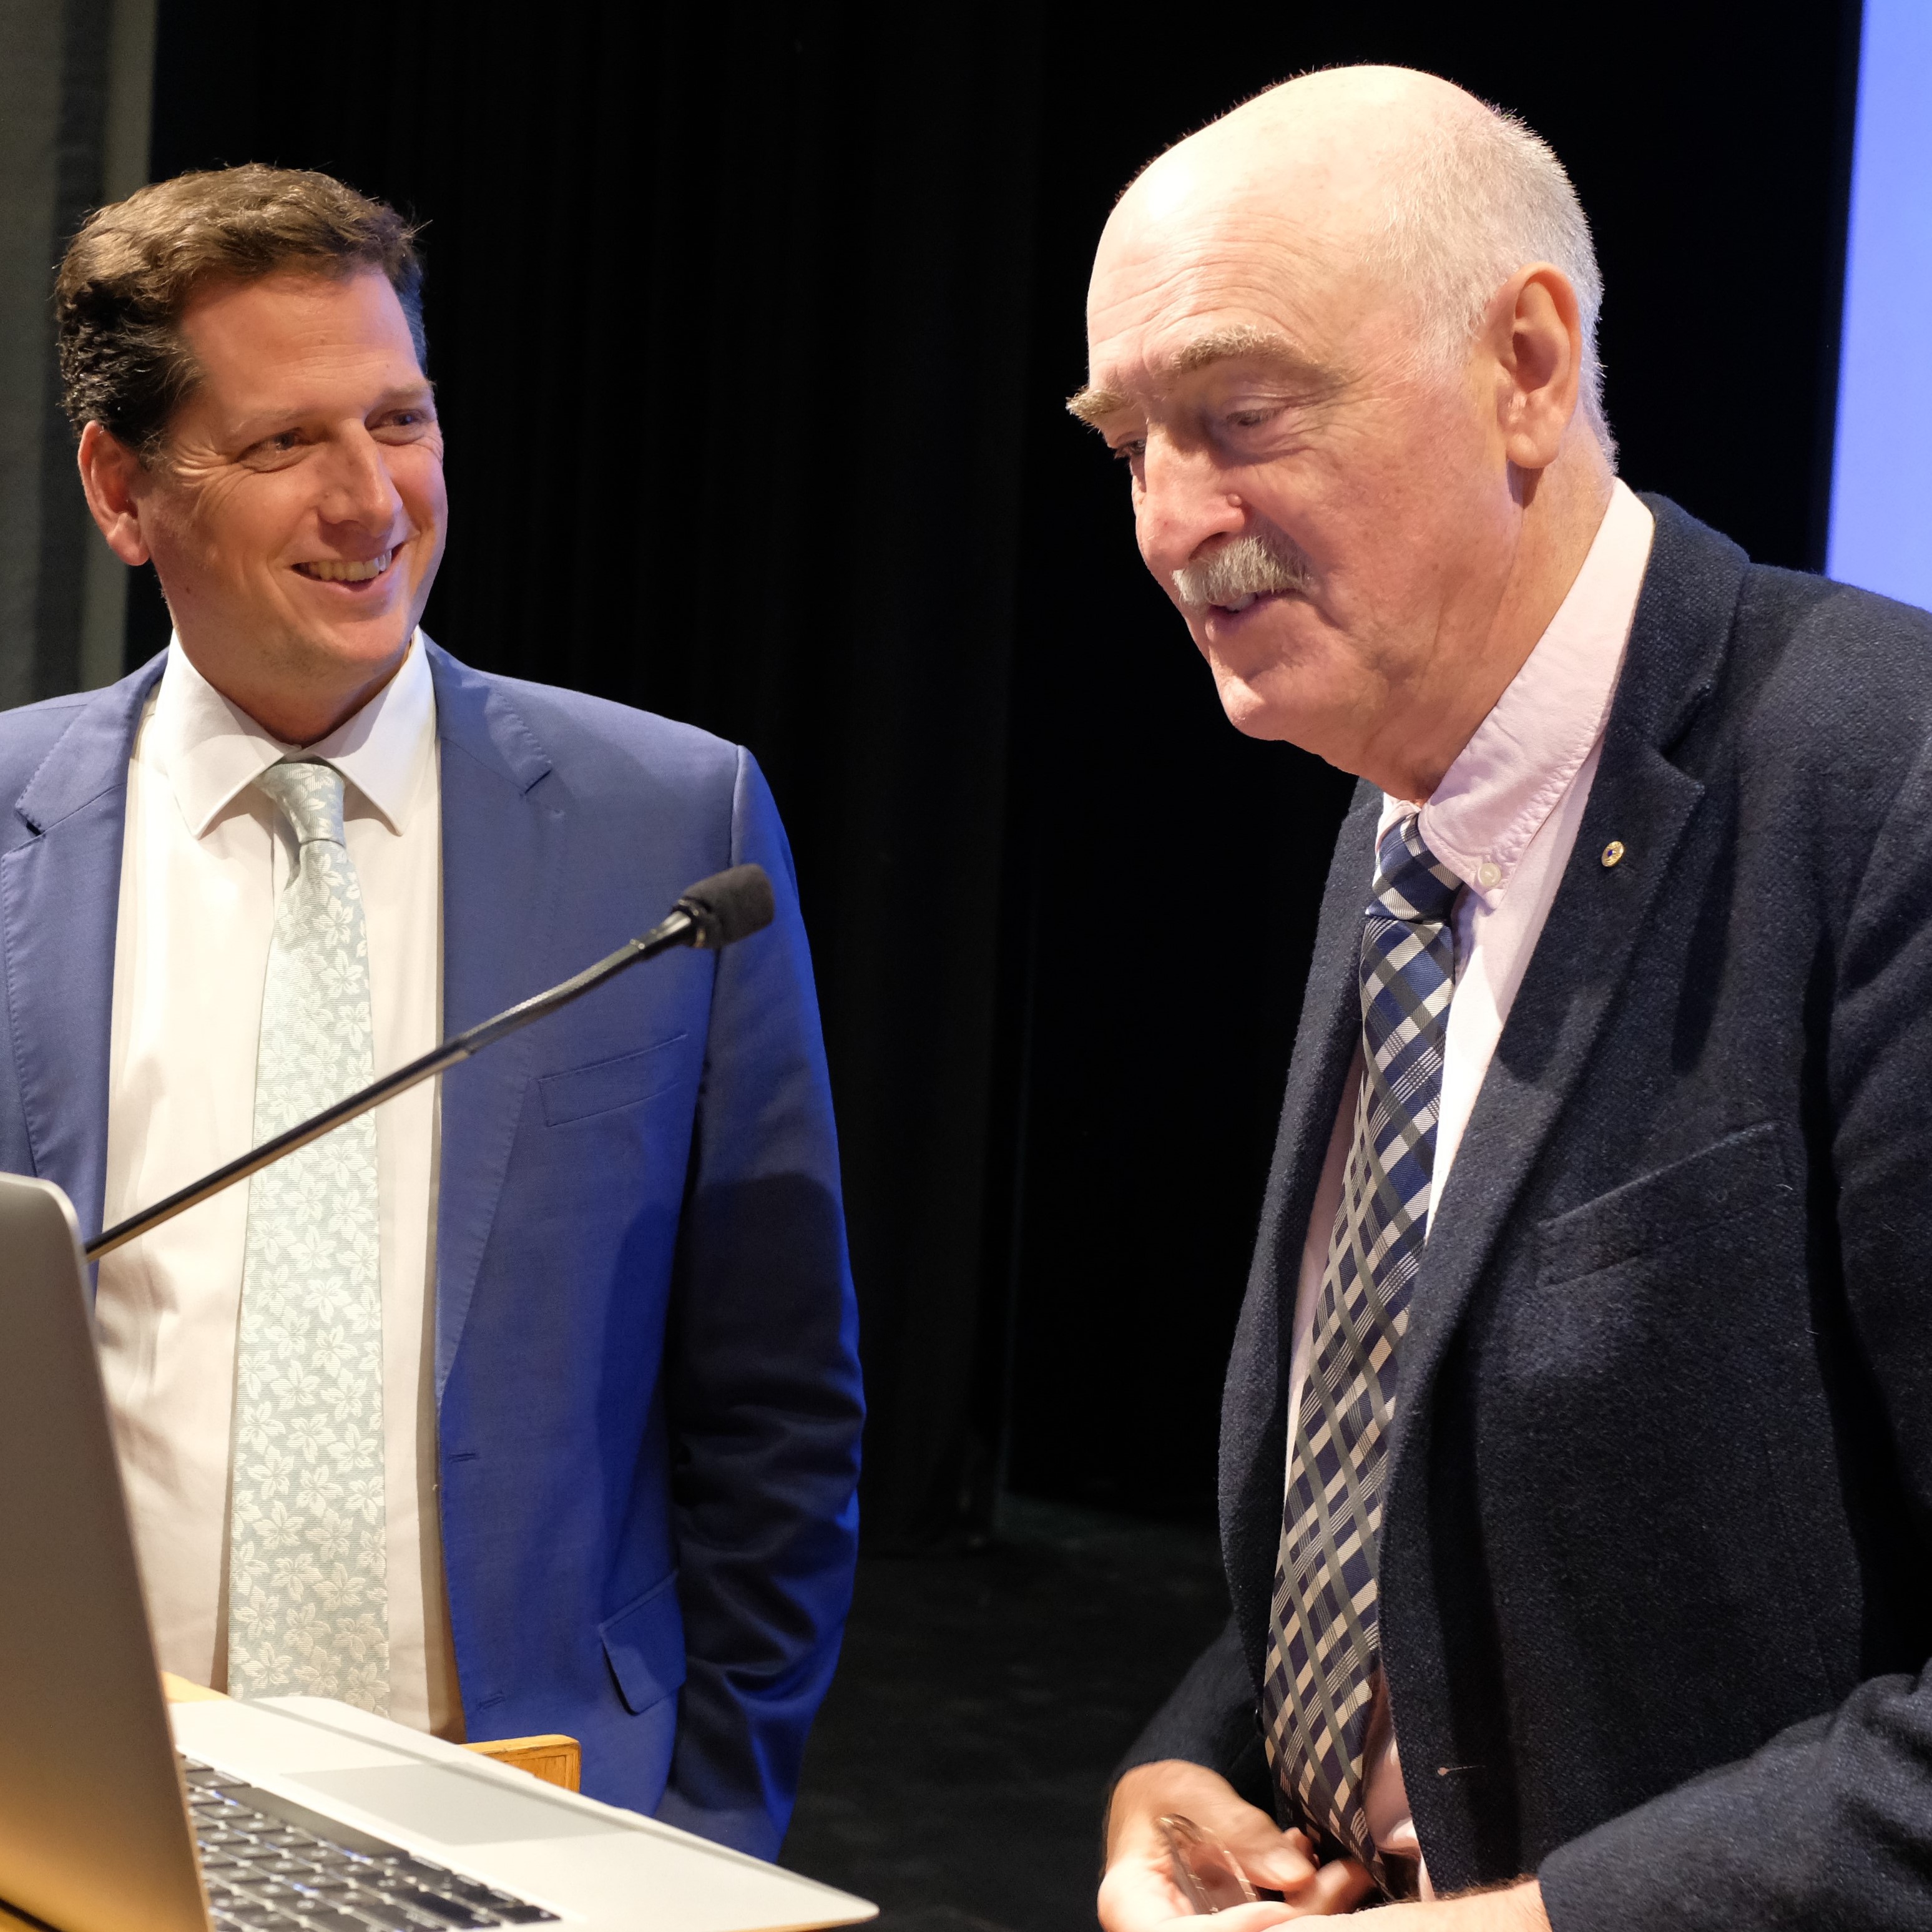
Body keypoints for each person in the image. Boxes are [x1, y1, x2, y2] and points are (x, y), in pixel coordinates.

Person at [1071, 64, 1932, 1932]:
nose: (1171, 520)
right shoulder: (1398, 810)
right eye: (1129, 443)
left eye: (1237, 416)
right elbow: (1423, 1478)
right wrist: (1197, 1766)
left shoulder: (1889, 786)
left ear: (1526, 366)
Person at [0, 163, 863, 1860]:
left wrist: (705, 1822)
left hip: (548, 1813)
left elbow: (779, 1410)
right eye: (282, 443)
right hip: (72, 1813)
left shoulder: (669, 826)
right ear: (120, 489)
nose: (370, 501)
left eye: (400, 420)